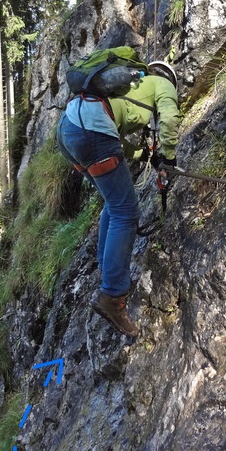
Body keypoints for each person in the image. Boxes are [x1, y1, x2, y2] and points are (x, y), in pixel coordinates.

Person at [56, 59, 180, 337]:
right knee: (125, 211)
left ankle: (107, 268)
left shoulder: (124, 86)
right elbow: (170, 120)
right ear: (170, 78)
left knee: (113, 203)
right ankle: (112, 296)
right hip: (91, 131)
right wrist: (168, 158)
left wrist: (142, 155)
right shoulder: (163, 86)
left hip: (68, 129)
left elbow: (115, 133)